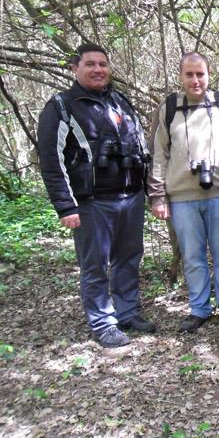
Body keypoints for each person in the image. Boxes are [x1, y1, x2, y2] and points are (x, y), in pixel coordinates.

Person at [37, 42, 154, 348]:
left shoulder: (119, 101)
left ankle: (127, 312)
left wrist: (150, 189)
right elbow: (51, 160)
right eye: (90, 64)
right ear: (75, 68)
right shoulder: (62, 107)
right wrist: (65, 206)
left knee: (129, 258)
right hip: (91, 201)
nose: (98, 69)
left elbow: (140, 145)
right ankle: (103, 323)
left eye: (103, 64)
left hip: (131, 196)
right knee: (95, 264)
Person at [149, 52, 219, 333]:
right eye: (189, 74)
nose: (195, 80)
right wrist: (158, 196)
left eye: (200, 74)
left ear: (208, 75)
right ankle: (199, 309)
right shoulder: (169, 108)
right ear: (181, 76)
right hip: (182, 198)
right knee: (192, 257)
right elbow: (158, 154)